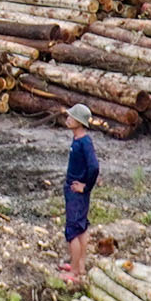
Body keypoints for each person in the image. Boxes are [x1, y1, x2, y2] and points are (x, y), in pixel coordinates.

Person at [60, 104, 99, 285]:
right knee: (82, 227)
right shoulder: (78, 140)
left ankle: (75, 272)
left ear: (80, 122)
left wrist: (86, 186)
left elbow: (94, 167)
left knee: (73, 230)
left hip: (77, 191)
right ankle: (80, 264)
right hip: (75, 189)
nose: (68, 118)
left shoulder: (84, 142)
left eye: (71, 117)